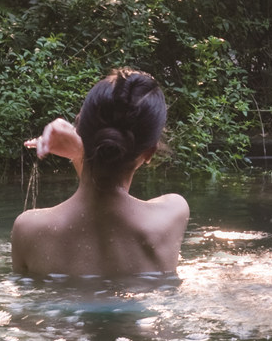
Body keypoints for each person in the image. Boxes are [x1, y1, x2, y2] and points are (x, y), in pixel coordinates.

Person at [11, 69, 190, 279]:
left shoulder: (29, 230)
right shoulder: (173, 214)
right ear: (150, 152)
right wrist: (80, 153)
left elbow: (95, 195)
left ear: (80, 129)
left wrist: (80, 154)